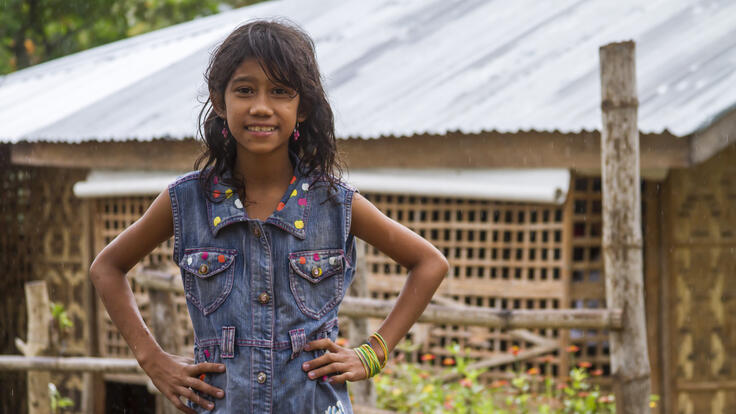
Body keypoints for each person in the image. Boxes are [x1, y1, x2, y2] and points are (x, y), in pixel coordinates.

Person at [89, 19, 448, 414]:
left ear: (303, 107)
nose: (261, 106)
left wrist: (373, 353)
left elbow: (429, 263)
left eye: (280, 91)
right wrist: (152, 360)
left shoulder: (335, 203)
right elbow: (107, 267)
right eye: (245, 90)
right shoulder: (186, 200)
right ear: (220, 99)